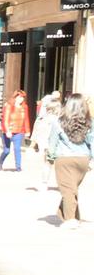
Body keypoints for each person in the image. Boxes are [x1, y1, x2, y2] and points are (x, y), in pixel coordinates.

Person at [49, 93, 92, 227]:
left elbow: (52, 142)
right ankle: (67, 214)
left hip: (64, 158)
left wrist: (51, 156)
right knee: (72, 188)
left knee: (67, 189)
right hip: (82, 159)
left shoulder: (58, 122)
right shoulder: (89, 123)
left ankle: (70, 220)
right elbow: (92, 142)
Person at [0, 88, 32, 173]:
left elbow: (26, 119)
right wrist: (7, 131)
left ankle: (18, 167)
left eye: (23, 97)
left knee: (17, 149)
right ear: (15, 97)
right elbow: (5, 119)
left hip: (19, 131)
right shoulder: (9, 106)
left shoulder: (24, 107)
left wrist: (27, 130)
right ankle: (0, 162)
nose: (21, 99)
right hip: (9, 131)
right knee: (6, 151)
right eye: (20, 97)